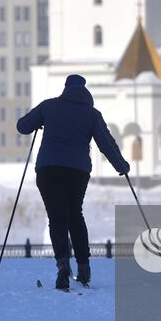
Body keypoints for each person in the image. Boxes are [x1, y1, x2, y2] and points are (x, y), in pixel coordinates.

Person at [17, 74, 130, 291]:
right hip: (77, 171)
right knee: (75, 215)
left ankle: (62, 266)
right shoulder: (92, 114)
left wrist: (40, 122)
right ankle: (84, 266)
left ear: (66, 88)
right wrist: (121, 166)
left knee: (57, 216)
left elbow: (22, 126)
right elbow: (106, 143)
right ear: (84, 90)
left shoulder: (49, 106)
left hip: (48, 169)